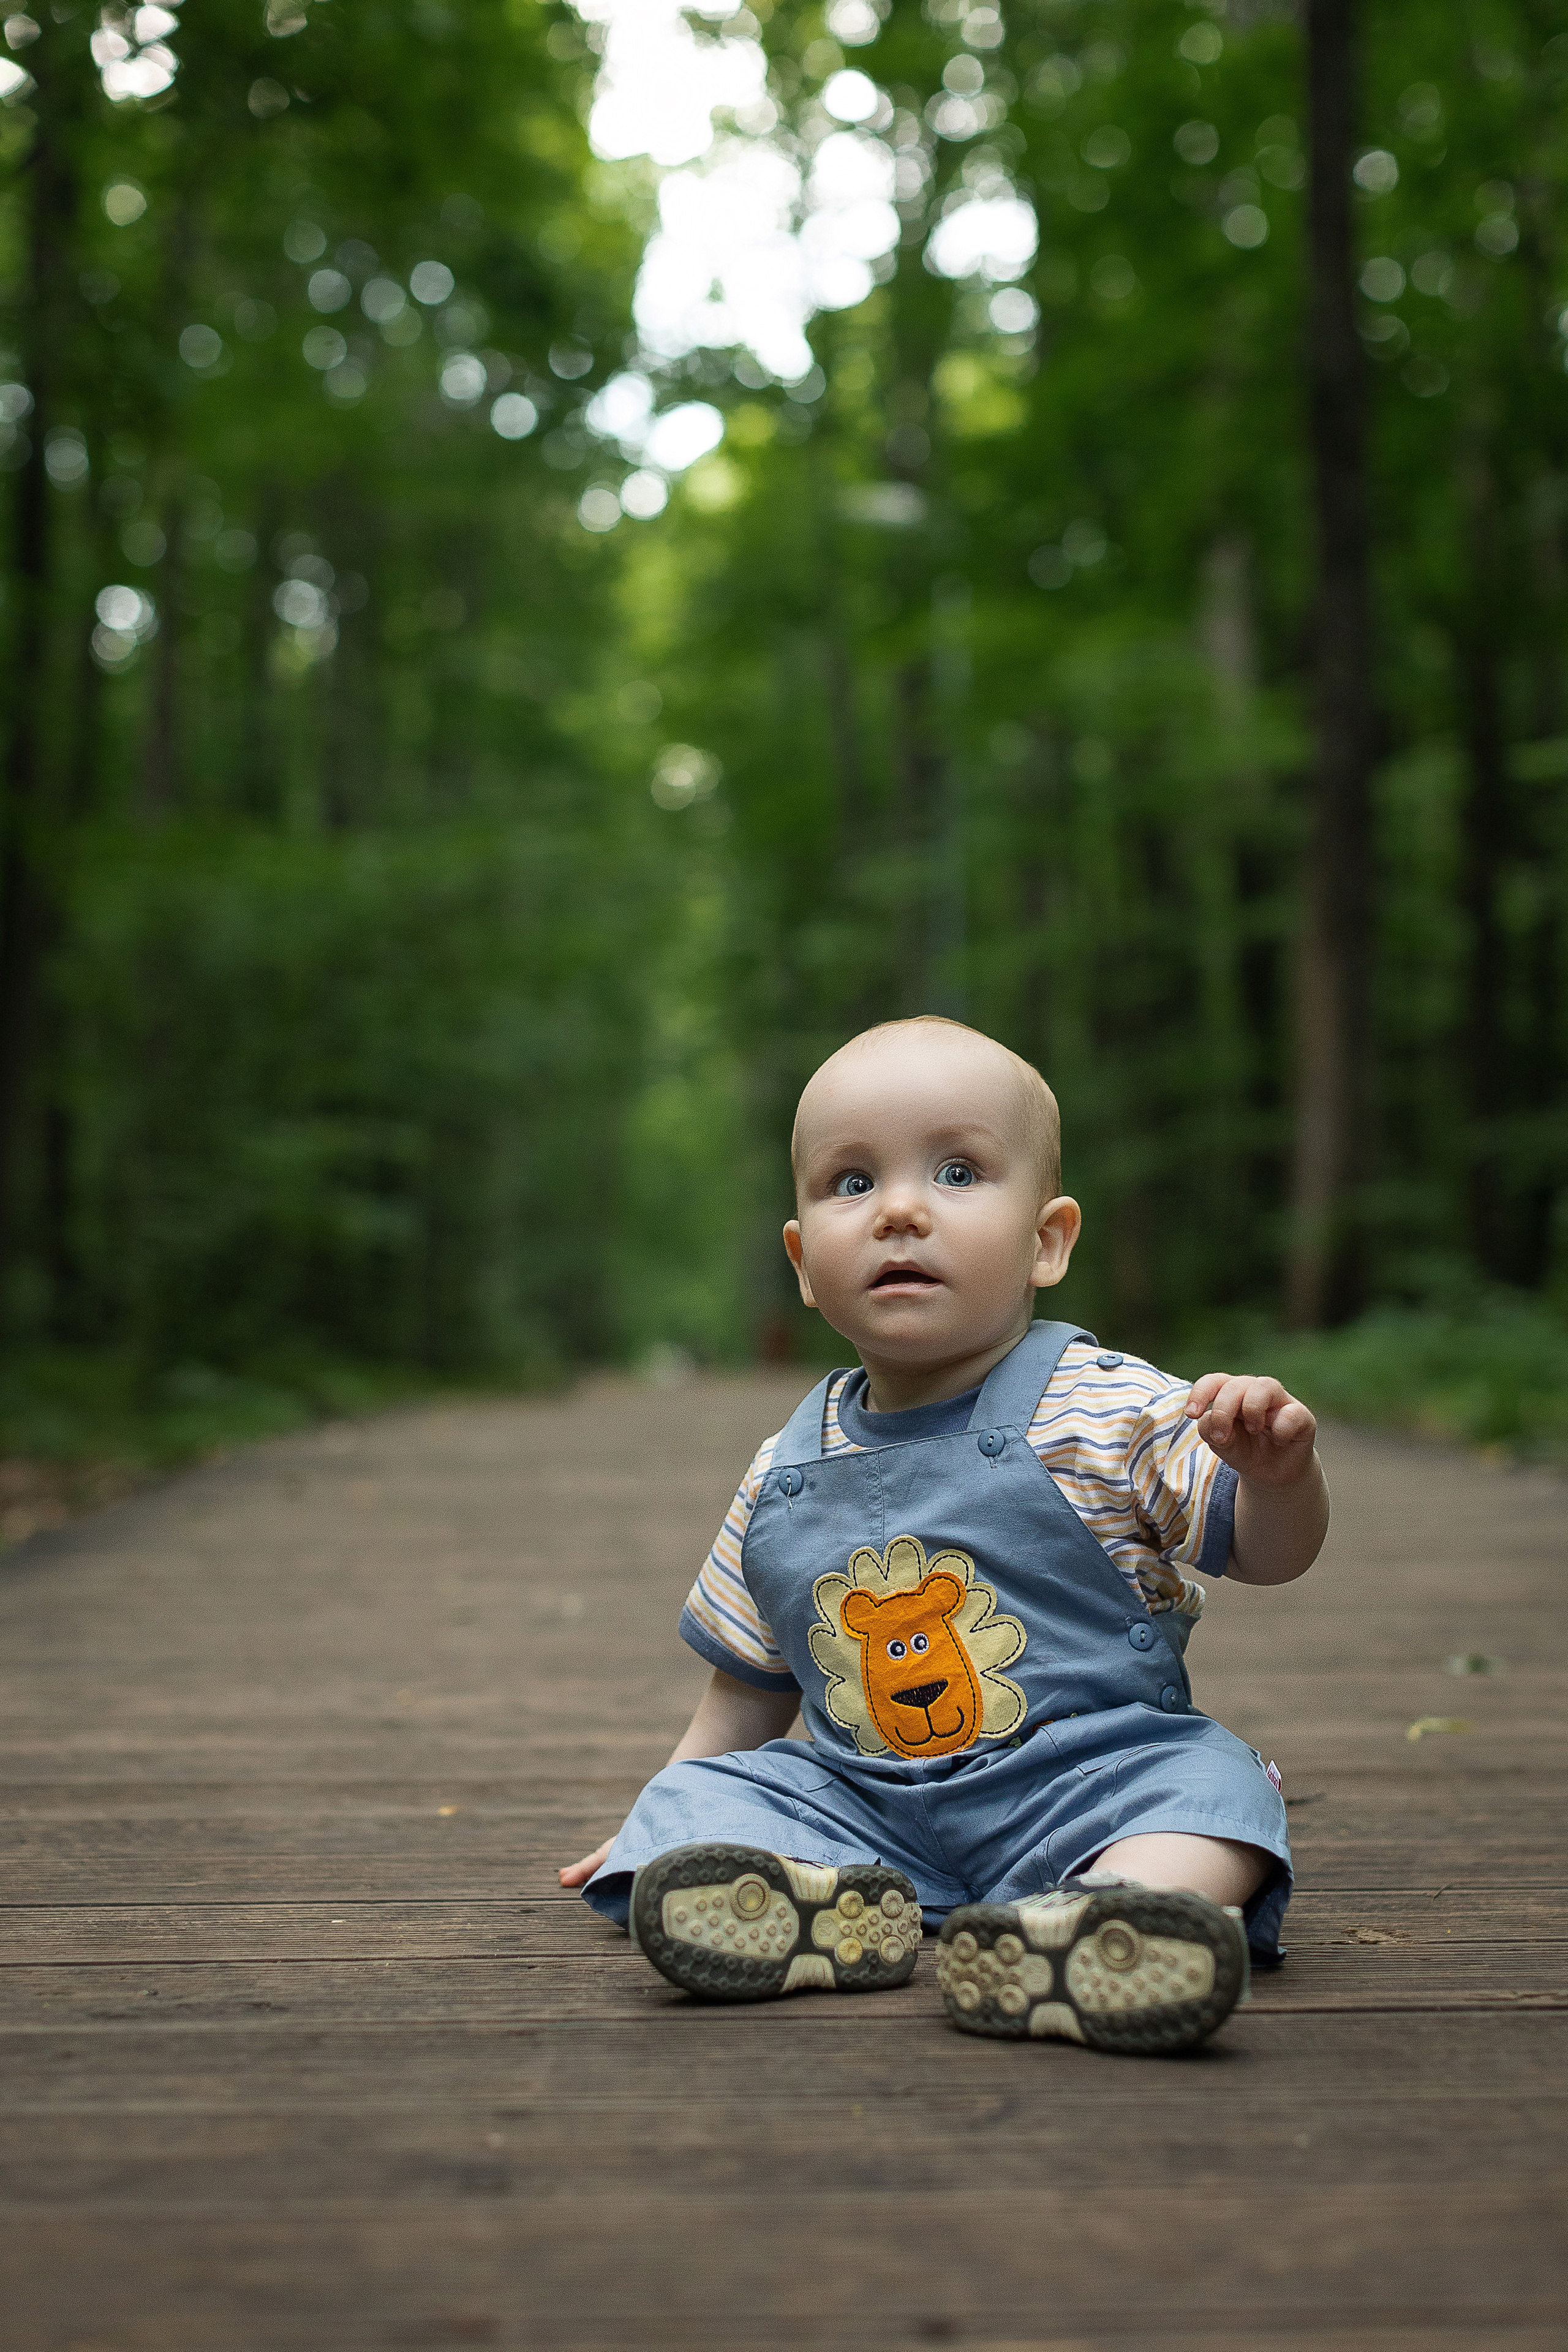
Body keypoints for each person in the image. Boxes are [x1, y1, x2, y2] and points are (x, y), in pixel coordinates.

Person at [561, 1017, 1328, 2054]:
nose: (901, 1212)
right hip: (865, 1808)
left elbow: (1266, 1554)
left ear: (1047, 1240)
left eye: (959, 1172)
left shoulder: (1106, 1408)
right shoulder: (783, 1468)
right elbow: (749, 1685)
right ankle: (821, 1914)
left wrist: (1277, 1477)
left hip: (1091, 1786)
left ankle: (1113, 1917)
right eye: (850, 1184)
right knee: (699, 1799)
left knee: (1217, 1791)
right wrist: (659, 1815)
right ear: (801, 1261)